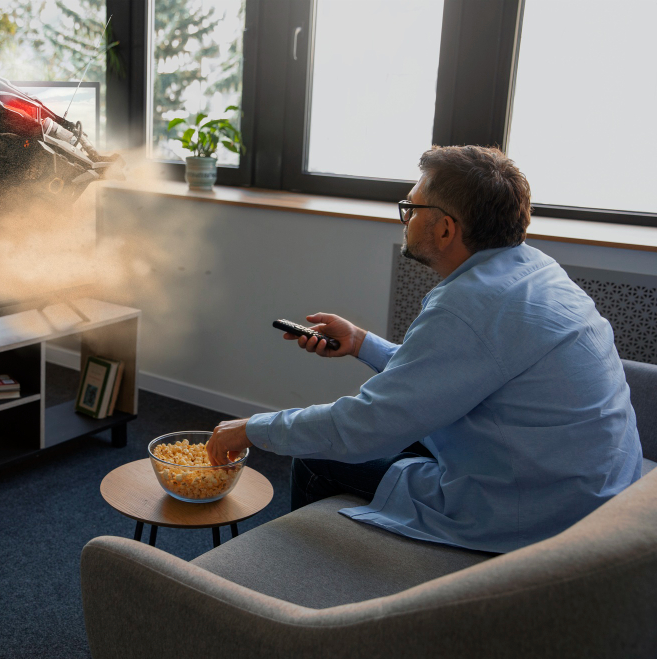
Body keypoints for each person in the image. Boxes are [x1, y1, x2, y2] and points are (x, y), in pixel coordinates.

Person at [206, 145, 642, 553]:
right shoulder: (535, 270)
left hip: (540, 509)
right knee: (396, 437)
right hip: (593, 484)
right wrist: (361, 343)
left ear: (446, 228)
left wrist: (251, 428)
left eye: (411, 208)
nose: (405, 217)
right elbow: (442, 378)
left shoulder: (468, 306)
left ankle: (304, 595)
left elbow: (363, 427)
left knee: (315, 457)